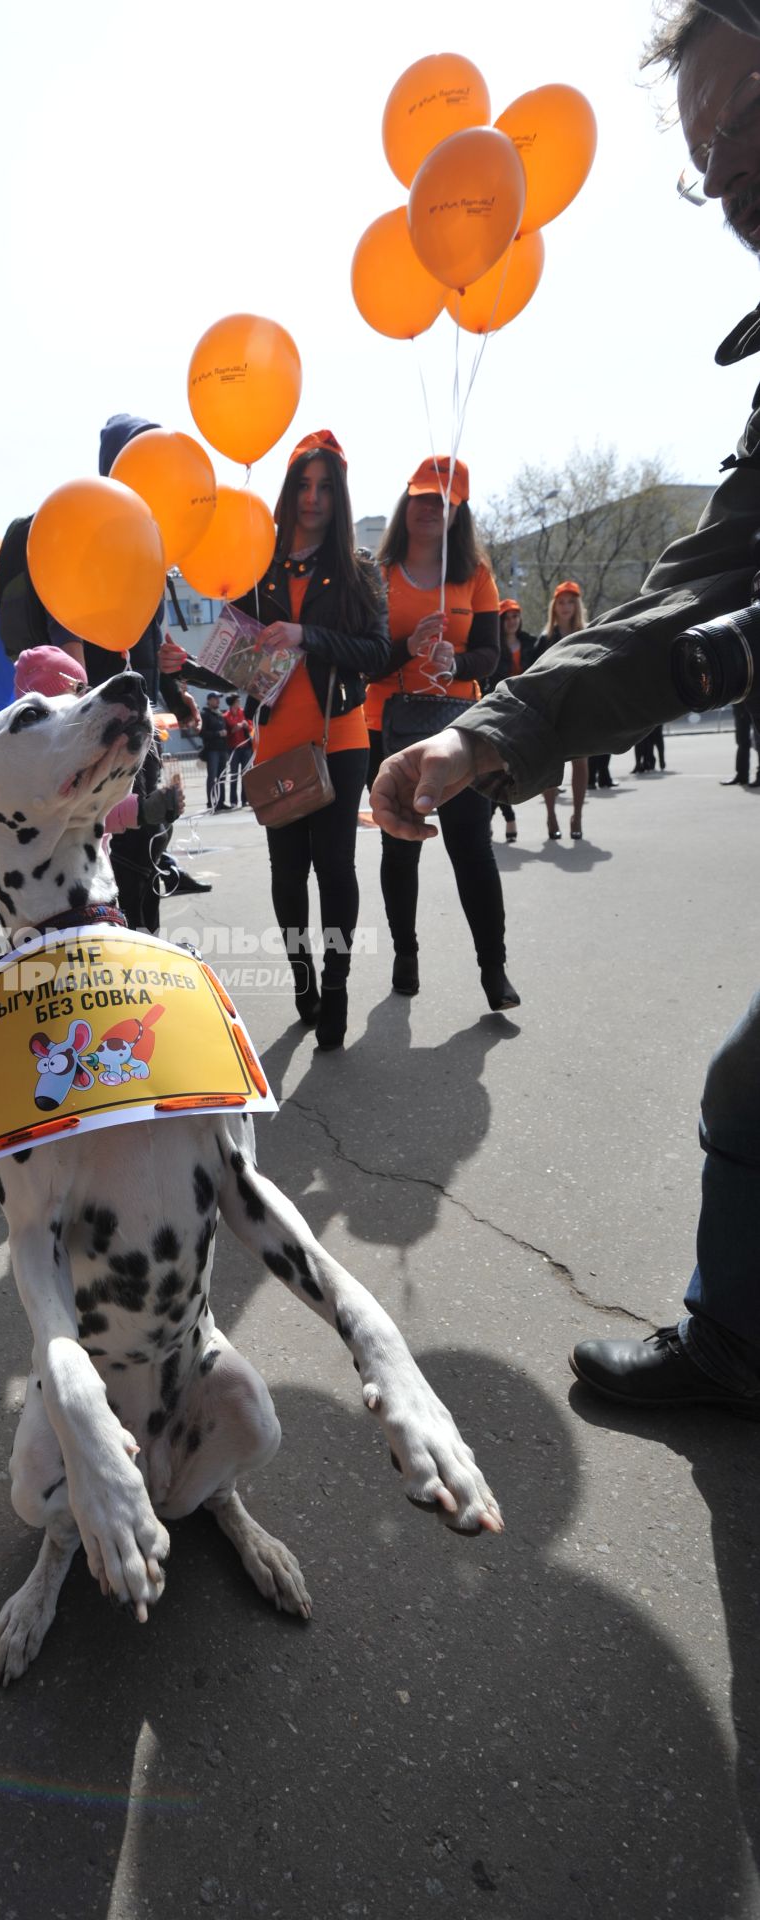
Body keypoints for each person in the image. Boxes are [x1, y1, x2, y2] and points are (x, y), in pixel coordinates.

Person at [369, 0, 760, 1417]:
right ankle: (734, 1351)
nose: (714, 166)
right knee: (749, 1093)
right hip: (438, 737)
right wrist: (482, 732)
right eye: (699, 142)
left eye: (740, 115)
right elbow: (694, 588)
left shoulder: (480, 567)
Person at [233, 429, 389, 1051]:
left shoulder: (359, 570)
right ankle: (303, 977)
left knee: (336, 866)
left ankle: (338, 984)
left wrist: (307, 635)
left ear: (340, 495)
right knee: (286, 872)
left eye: (325, 487)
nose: (313, 498)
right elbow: (239, 656)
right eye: (303, 484)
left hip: (339, 738)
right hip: (273, 740)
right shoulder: (256, 564)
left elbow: (377, 653)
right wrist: (180, 665)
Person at [366, 457, 518, 1011]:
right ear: (406, 502)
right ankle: (406, 954)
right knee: (399, 845)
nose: (430, 508)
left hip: (460, 730)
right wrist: (407, 648)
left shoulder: (475, 572)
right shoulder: (377, 574)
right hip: (388, 726)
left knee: (472, 849)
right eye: (422, 497)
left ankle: (494, 969)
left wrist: (456, 663)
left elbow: (490, 656)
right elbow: (364, 660)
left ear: (459, 511)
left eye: (443, 500)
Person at [11, 646, 184, 932]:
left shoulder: (77, 744)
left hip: (94, 878)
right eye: (78, 691)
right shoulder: (44, 759)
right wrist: (143, 811)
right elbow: (87, 810)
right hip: (61, 896)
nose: (85, 699)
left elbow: (101, 799)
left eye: (85, 689)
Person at [532, 582, 594, 837]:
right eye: (561, 602)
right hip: (550, 710)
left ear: (577, 605)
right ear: (554, 607)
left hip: (579, 708)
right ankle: (550, 817)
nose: (566, 607)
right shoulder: (544, 640)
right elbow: (533, 676)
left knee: (580, 763)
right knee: (550, 766)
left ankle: (577, 818)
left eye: (571, 602)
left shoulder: (589, 634)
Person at [489, 599, 526, 841]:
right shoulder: (495, 647)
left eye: (515, 616)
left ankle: (491, 818)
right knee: (497, 767)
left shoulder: (533, 643)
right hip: (499, 711)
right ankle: (507, 817)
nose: (511, 621)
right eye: (506, 617)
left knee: (510, 769)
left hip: (527, 711)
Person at [222, 692, 253, 808]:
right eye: (237, 701)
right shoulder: (225, 716)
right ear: (232, 703)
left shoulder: (244, 713)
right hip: (233, 749)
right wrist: (236, 727)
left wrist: (246, 726)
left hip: (246, 748)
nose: (239, 703)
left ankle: (245, 800)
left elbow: (251, 727)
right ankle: (233, 801)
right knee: (234, 775)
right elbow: (228, 732)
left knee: (246, 775)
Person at [200, 692, 229, 811]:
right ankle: (211, 803)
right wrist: (218, 734)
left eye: (218, 699)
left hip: (222, 749)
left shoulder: (220, 714)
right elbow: (202, 733)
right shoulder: (205, 714)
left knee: (222, 777)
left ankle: (221, 802)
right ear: (209, 700)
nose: (218, 701)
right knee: (212, 777)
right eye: (215, 699)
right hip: (212, 751)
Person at [722, 700, 757, 784]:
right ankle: (741, 776)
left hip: (756, 703)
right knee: (741, 741)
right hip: (740, 705)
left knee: (758, 742)